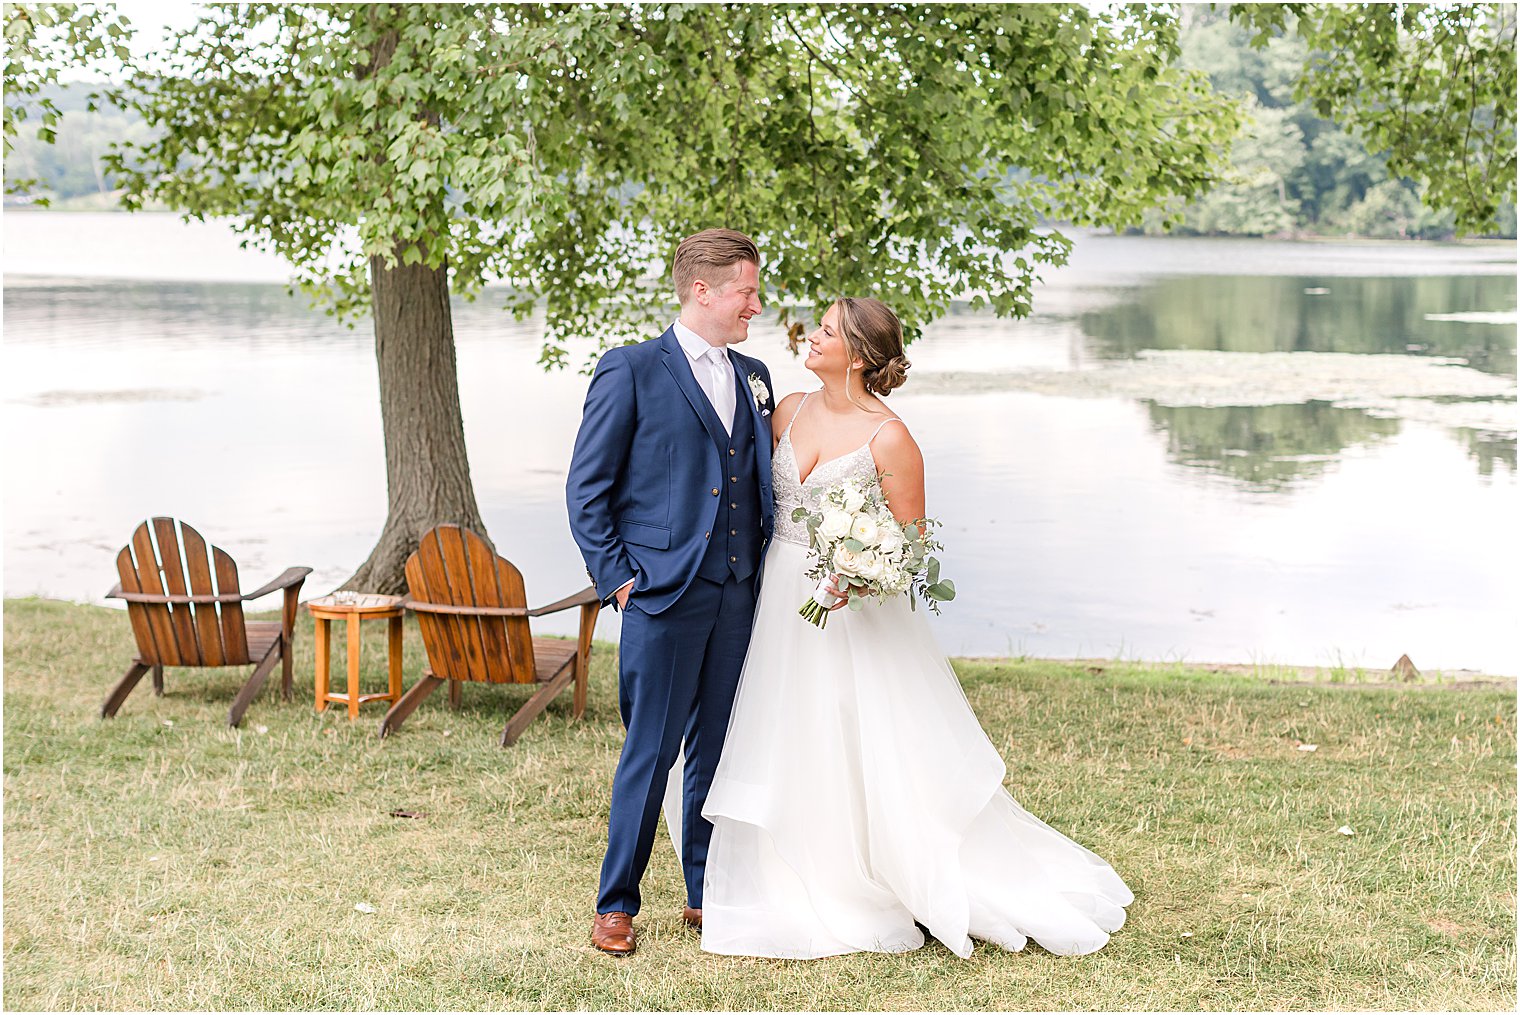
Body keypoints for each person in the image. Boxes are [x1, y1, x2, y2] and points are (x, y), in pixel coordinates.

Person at [693, 296, 1134, 959]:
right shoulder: (787, 409)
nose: (811, 336)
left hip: (853, 615)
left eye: (828, 331)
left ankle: (882, 868)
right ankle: (789, 870)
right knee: (790, 727)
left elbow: (911, 543)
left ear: (861, 355)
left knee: (859, 733)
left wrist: (858, 570)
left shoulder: (890, 437)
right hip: (781, 595)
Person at [566, 228, 775, 956]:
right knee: (649, 753)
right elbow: (587, 491)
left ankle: (704, 892)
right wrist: (620, 581)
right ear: (702, 290)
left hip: (737, 594)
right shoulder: (630, 370)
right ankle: (616, 902)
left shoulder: (755, 374)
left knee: (716, 752)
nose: (757, 302)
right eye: (747, 289)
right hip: (660, 595)